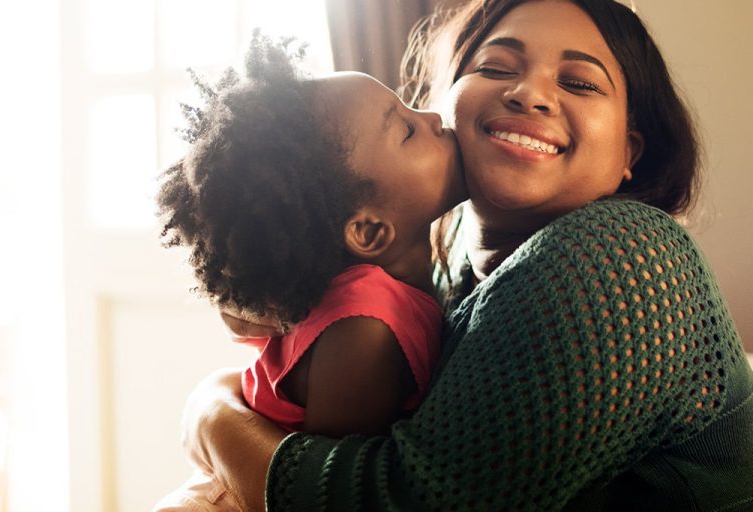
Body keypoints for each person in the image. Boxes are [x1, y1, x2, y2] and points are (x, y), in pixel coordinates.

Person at [179, 1, 753, 511]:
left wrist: (213, 416)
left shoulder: (620, 255)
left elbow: (404, 500)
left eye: (579, 83)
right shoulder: (443, 263)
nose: (528, 92)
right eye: (497, 67)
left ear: (629, 151)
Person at [152, 32, 466, 511]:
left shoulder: (372, 295)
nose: (434, 117)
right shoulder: (367, 328)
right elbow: (322, 491)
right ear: (367, 231)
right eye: (406, 130)